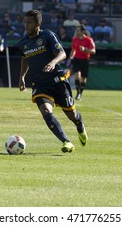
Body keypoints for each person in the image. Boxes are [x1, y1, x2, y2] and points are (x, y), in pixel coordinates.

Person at [18, 9, 88, 153]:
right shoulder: (23, 43)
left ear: (38, 23)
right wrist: (22, 77)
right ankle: (66, 142)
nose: (26, 25)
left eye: (29, 22)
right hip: (39, 84)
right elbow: (25, 58)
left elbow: (62, 53)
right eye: (25, 22)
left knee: (72, 115)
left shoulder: (47, 35)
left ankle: (79, 125)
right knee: (45, 112)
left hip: (57, 81)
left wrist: (53, 62)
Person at [68, 25, 96, 100]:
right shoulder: (75, 40)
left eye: (78, 30)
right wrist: (71, 57)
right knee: (77, 75)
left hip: (85, 60)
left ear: (83, 31)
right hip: (76, 60)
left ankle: (80, 93)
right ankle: (78, 93)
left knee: (83, 78)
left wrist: (85, 50)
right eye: (76, 30)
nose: (77, 32)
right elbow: (73, 50)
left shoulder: (89, 40)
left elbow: (93, 51)